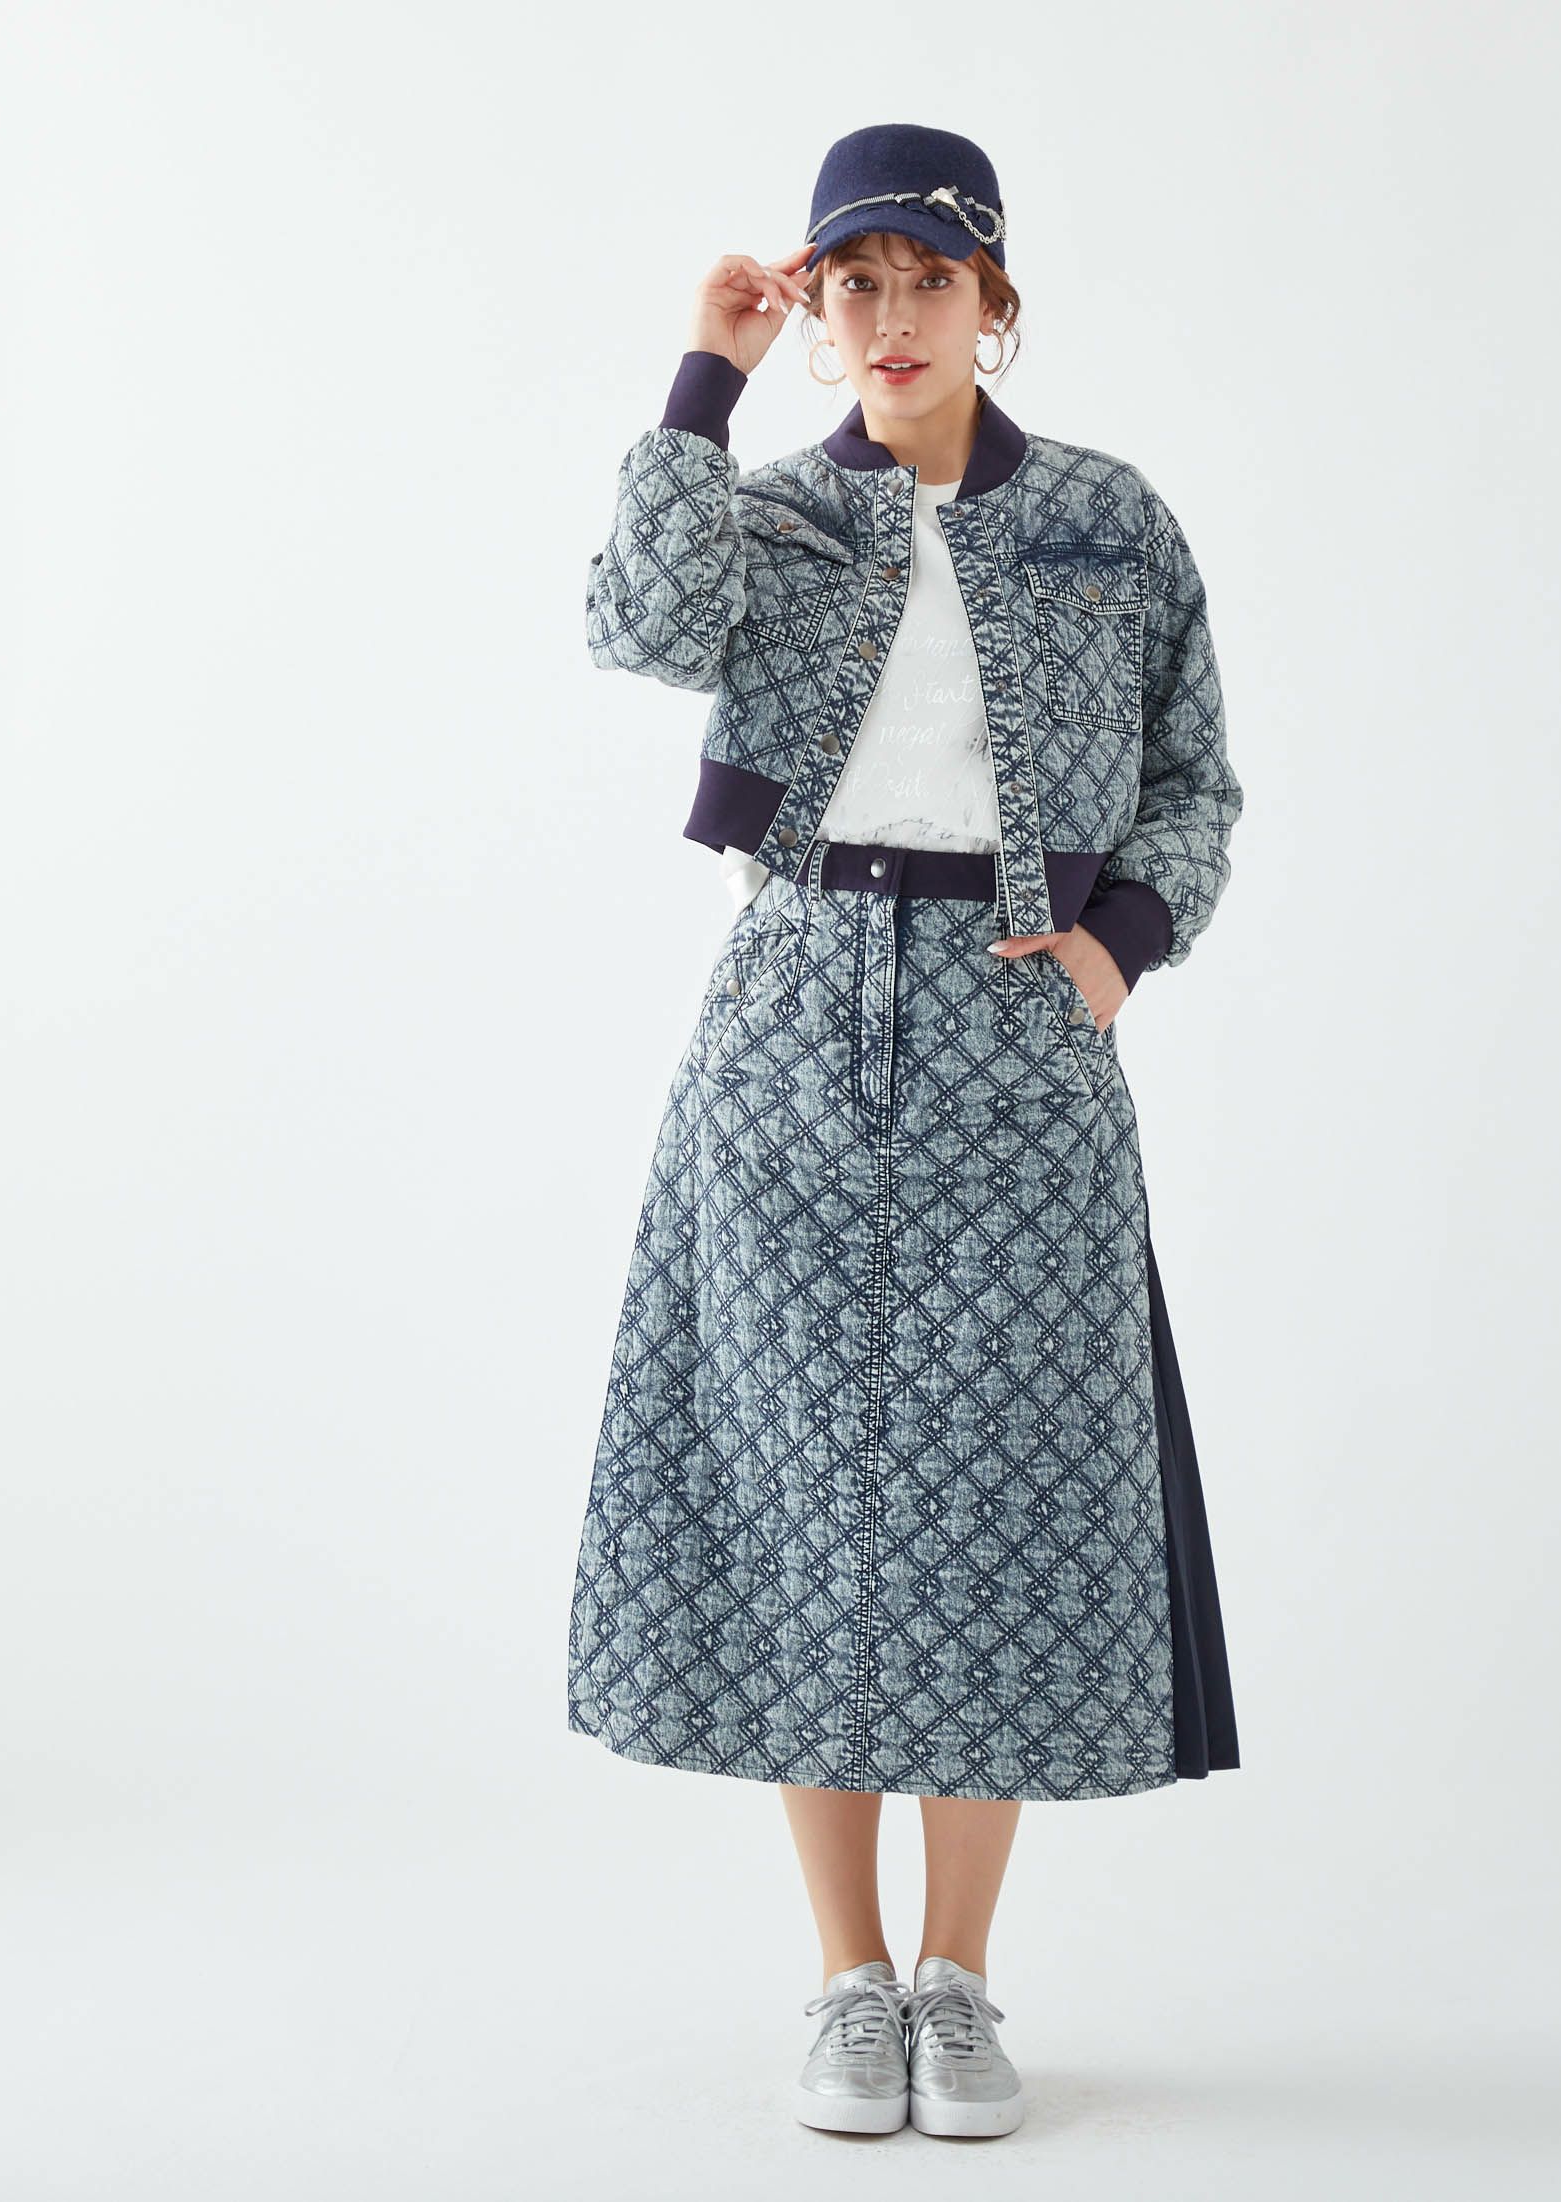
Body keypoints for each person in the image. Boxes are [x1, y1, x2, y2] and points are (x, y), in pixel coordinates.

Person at [567, 122, 1244, 2140]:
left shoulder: (1109, 522)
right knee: (809, 1505)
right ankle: (846, 1980)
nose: (887, 315)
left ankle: (960, 1978)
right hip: (791, 1031)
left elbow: (1199, 776)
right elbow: (634, 620)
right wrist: (704, 373)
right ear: (819, 304)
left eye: (926, 278)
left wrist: (1120, 945)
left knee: (1007, 1512)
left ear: (992, 300)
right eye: (851, 281)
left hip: (1020, 1039)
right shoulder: (772, 514)